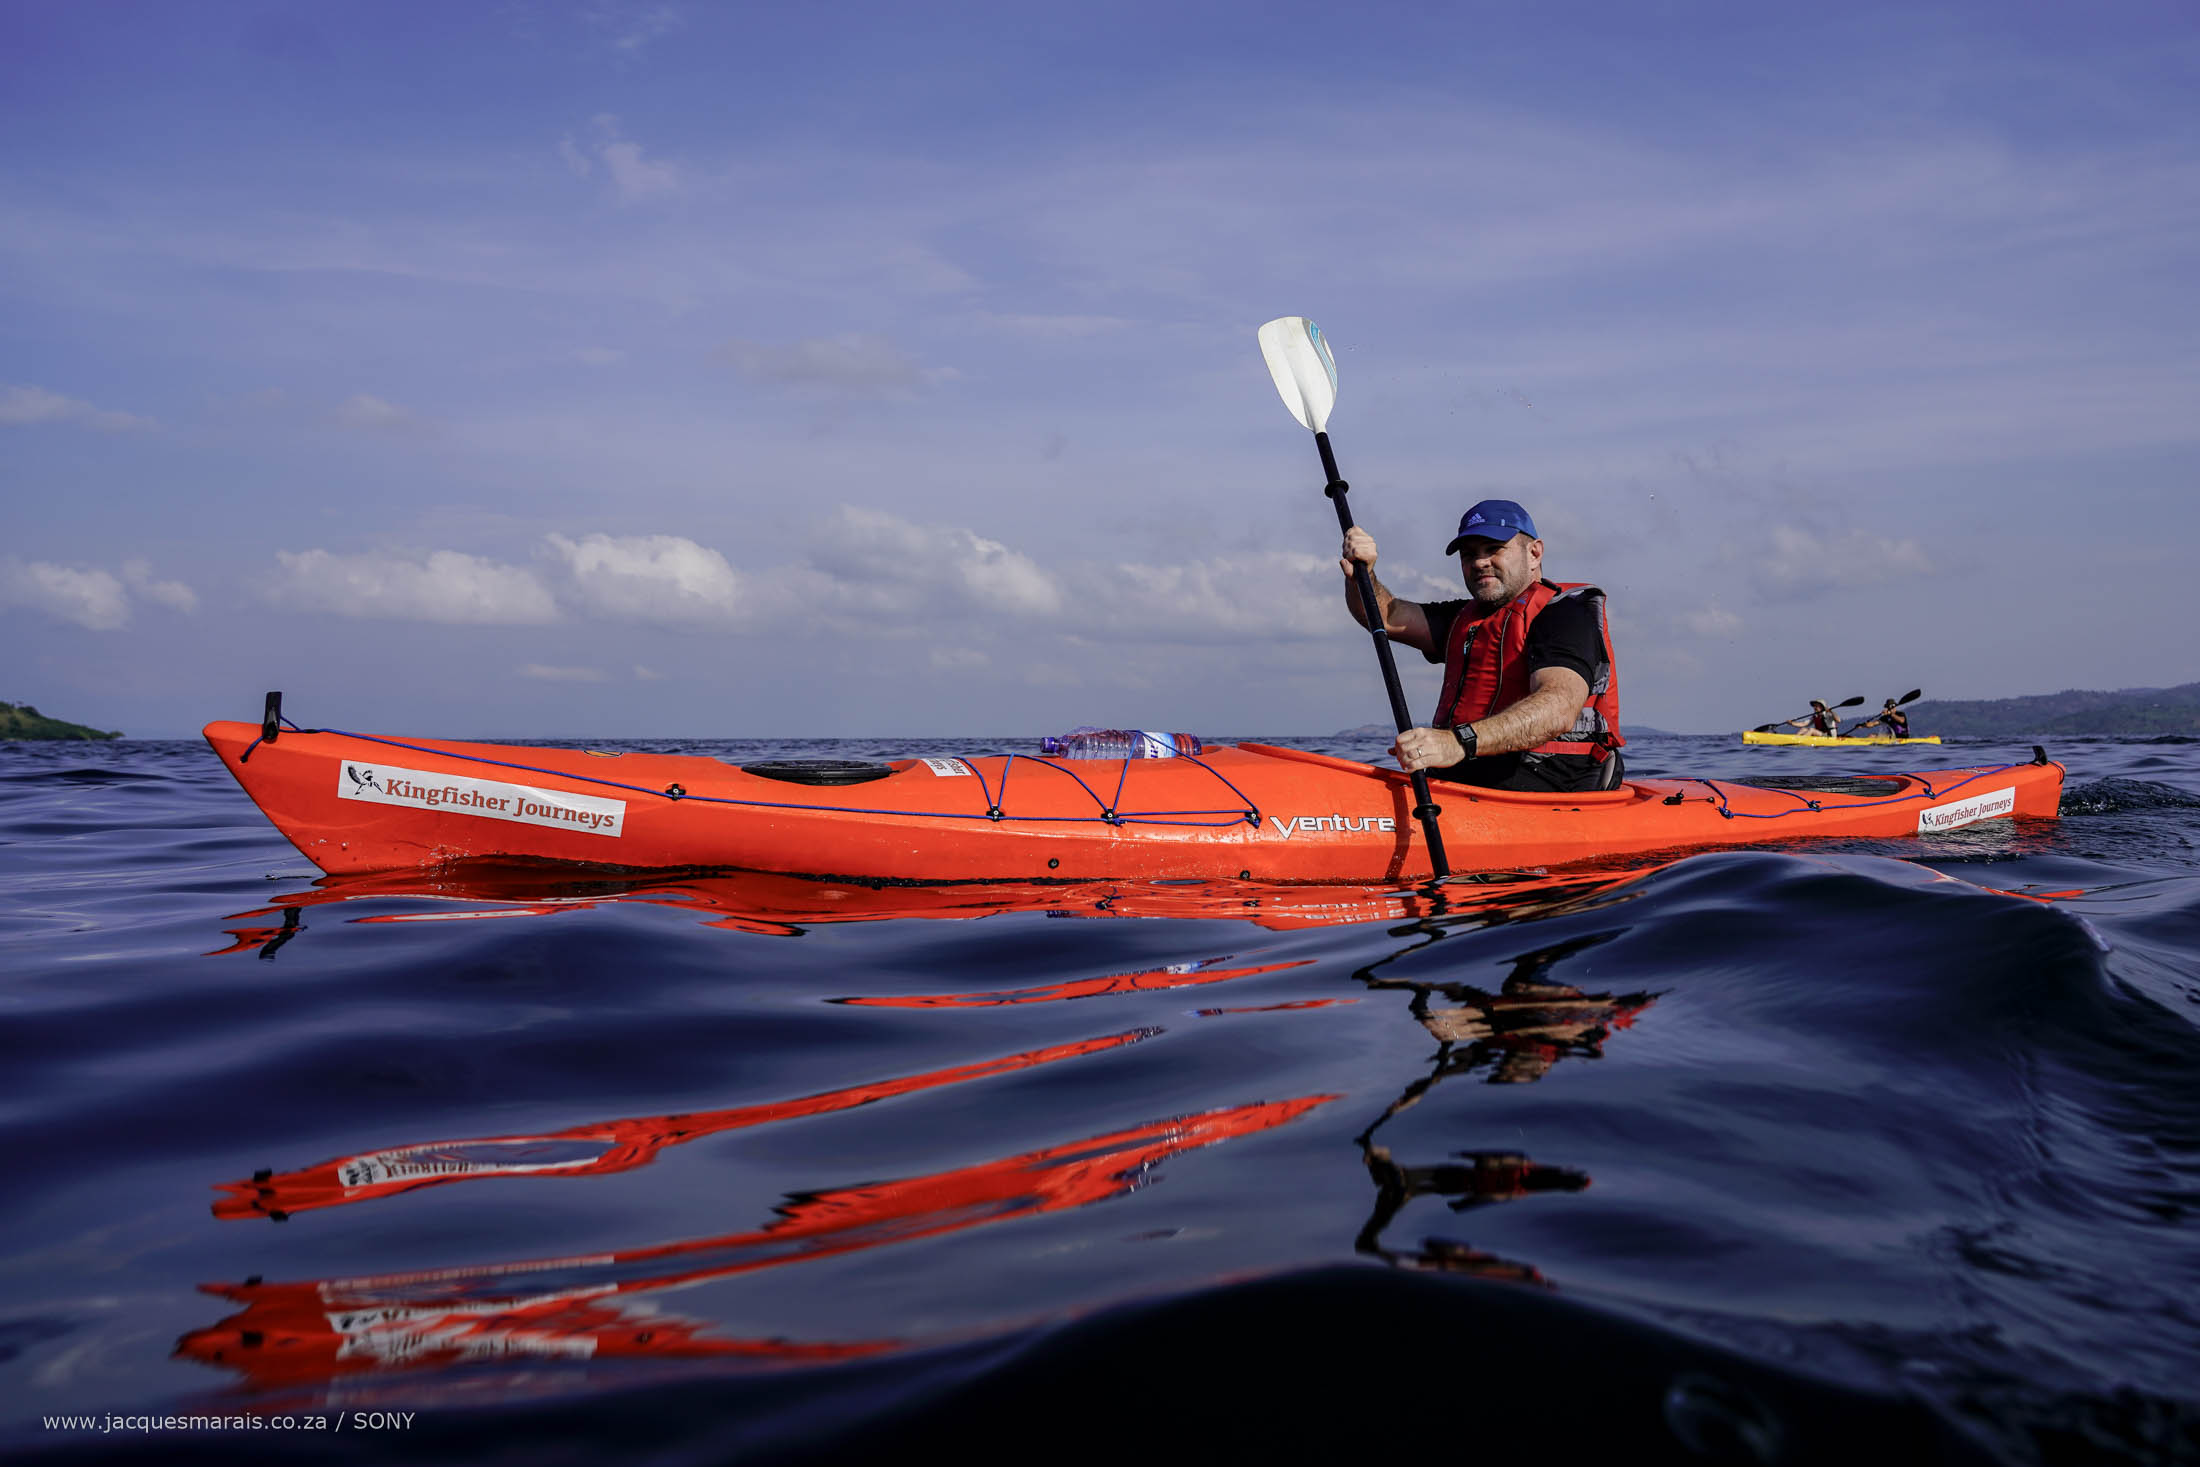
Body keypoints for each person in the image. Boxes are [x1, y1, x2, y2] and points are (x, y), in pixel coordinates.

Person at [1340, 498, 1622, 793]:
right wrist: (1363, 573)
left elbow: (1559, 708)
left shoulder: (1565, 614)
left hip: (1553, 780)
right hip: (1474, 775)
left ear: (1534, 553)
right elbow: (1387, 615)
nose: (1479, 562)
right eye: (1468, 555)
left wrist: (1458, 741)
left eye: (1494, 549)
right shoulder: (1463, 618)